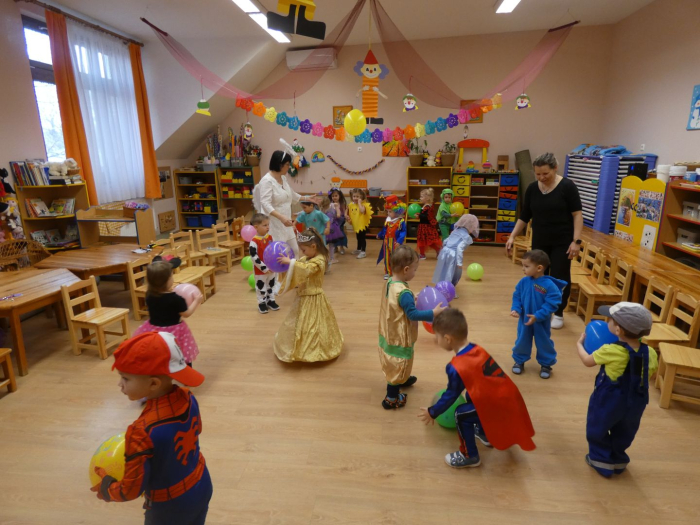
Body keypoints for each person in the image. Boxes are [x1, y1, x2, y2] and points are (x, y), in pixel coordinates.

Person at [90, 332, 212, 524]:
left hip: (170, 507)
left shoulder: (140, 431)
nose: (120, 384)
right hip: (202, 483)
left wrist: (107, 486)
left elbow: (130, 491)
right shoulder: (189, 397)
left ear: (154, 383)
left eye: (125, 378)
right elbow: (196, 431)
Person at [418, 308, 536, 469]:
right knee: (470, 396)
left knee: (461, 415)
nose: (435, 340)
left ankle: (469, 456)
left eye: (437, 337)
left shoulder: (456, 367)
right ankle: (484, 433)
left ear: (447, 339)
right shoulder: (476, 348)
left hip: (498, 404)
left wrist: (432, 412)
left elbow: (451, 395)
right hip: (508, 396)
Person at [576, 302, 657, 478]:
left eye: (610, 320)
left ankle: (600, 461)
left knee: (598, 427)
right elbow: (649, 374)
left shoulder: (609, 350)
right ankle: (619, 459)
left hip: (609, 399)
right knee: (626, 430)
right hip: (637, 400)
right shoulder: (651, 352)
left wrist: (579, 344)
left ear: (618, 330)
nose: (607, 322)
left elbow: (587, 361)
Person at [505, 153, 583, 330]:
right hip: (540, 241)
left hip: (562, 242)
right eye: (538, 174)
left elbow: (577, 214)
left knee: (559, 277)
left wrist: (576, 241)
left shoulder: (567, 187)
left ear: (555, 168)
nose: (541, 177)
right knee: (537, 275)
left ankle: (558, 312)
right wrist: (512, 236)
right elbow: (525, 216)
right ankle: (541, 309)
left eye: (545, 173)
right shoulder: (533, 188)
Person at [378, 245, 446, 409]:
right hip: (400, 336)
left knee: (396, 360)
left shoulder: (390, 282)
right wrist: (433, 313)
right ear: (406, 269)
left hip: (389, 332)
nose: (415, 272)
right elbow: (413, 315)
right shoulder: (404, 293)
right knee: (399, 361)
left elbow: (396, 302)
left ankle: (403, 377)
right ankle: (391, 397)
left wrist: (410, 298)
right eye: (415, 269)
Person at [273, 228, 343, 362]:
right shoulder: (308, 258)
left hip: (314, 296)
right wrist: (291, 262)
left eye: (304, 250)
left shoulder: (319, 260)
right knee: (300, 322)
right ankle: (299, 346)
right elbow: (300, 265)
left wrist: (291, 262)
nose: (302, 253)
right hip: (303, 295)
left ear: (314, 246)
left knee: (315, 325)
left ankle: (316, 350)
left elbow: (307, 269)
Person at [133, 260, 202, 366]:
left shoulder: (149, 295)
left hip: (154, 331)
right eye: (171, 276)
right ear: (167, 280)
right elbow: (187, 313)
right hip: (174, 332)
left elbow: (162, 303)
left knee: (158, 354)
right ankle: (184, 373)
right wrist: (196, 301)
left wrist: (169, 291)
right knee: (180, 354)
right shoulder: (176, 299)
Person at [510, 249, 566, 379]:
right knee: (522, 340)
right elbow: (517, 296)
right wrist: (516, 308)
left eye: (526, 266)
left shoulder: (549, 285)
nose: (523, 269)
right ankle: (519, 360)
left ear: (539, 268)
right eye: (523, 265)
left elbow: (552, 303)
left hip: (541, 320)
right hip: (525, 319)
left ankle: (546, 364)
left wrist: (538, 316)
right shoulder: (523, 282)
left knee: (544, 342)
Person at [253, 150, 302, 256]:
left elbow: (291, 194)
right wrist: (281, 217)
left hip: (286, 222)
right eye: (287, 164)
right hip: (274, 224)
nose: (289, 167)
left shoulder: (283, 178)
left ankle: (292, 267)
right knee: (278, 254)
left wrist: (307, 198)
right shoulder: (267, 181)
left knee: (294, 250)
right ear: (280, 165)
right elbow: (265, 203)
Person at [432, 214, 479, 295]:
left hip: (445, 251)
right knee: (451, 273)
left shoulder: (456, 231)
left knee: (444, 270)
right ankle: (448, 292)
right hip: (453, 255)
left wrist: (444, 250)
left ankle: (441, 286)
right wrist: (459, 263)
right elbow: (459, 249)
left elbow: (446, 241)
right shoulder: (466, 237)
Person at [249, 213, 279, 315]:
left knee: (271, 284)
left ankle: (271, 300)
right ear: (256, 227)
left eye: (268, 225)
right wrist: (264, 268)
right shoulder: (254, 241)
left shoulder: (270, 237)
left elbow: (273, 250)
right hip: (260, 271)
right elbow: (254, 257)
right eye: (265, 225)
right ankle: (261, 303)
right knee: (261, 287)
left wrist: (275, 264)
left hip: (272, 268)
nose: (268, 227)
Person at [376, 195, 407, 279]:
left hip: (395, 242)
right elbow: (384, 230)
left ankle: (396, 271)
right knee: (387, 257)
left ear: (397, 212)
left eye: (390, 212)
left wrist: (399, 241)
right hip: (386, 242)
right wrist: (379, 234)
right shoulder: (388, 220)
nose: (388, 213)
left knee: (396, 257)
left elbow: (403, 232)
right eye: (387, 211)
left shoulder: (400, 221)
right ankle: (387, 272)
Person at [346, 188, 373, 259]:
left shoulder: (363, 204)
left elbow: (362, 211)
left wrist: (359, 203)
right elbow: (349, 212)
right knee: (358, 237)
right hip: (357, 225)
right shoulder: (351, 204)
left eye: (357, 196)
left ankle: (363, 251)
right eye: (354, 196)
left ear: (361, 197)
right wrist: (347, 217)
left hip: (362, 225)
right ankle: (359, 249)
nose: (355, 198)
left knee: (362, 238)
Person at [416, 188, 442, 259]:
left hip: (426, 227)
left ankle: (437, 250)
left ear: (427, 198)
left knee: (428, 241)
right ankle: (422, 254)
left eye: (422, 197)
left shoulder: (427, 207)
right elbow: (424, 215)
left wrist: (419, 216)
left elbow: (426, 216)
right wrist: (419, 215)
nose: (420, 198)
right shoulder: (426, 205)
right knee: (422, 241)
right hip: (423, 226)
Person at [323, 195, 344, 265]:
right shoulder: (332, 209)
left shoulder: (321, 210)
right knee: (331, 245)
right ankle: (332, 258)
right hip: (332, 228)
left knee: (323, 243)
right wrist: (337, 208)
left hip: (324, 228)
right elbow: (338, 215)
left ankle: (323, 258)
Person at [328, 188, 349, 255]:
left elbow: (345, 212)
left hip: (340, 221)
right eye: (333, 196)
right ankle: (335, 247)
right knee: (334, 235)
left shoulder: (342, 204)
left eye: (336, 195)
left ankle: (341, 247)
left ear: (339, 196)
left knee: (341, 234)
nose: (334, 197)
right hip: (333, 221)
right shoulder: (330, 204)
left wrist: (346, 216)